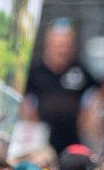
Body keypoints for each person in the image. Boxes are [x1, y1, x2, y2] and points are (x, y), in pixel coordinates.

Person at [24, 21, 95, 152]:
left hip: (74, 136)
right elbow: (25, 102)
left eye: (67, 45)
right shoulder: (34, 71)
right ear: (48, 45)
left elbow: (96, 94)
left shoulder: (80, 69)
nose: (63, 50)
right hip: (42, 138)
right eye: (59, 45)